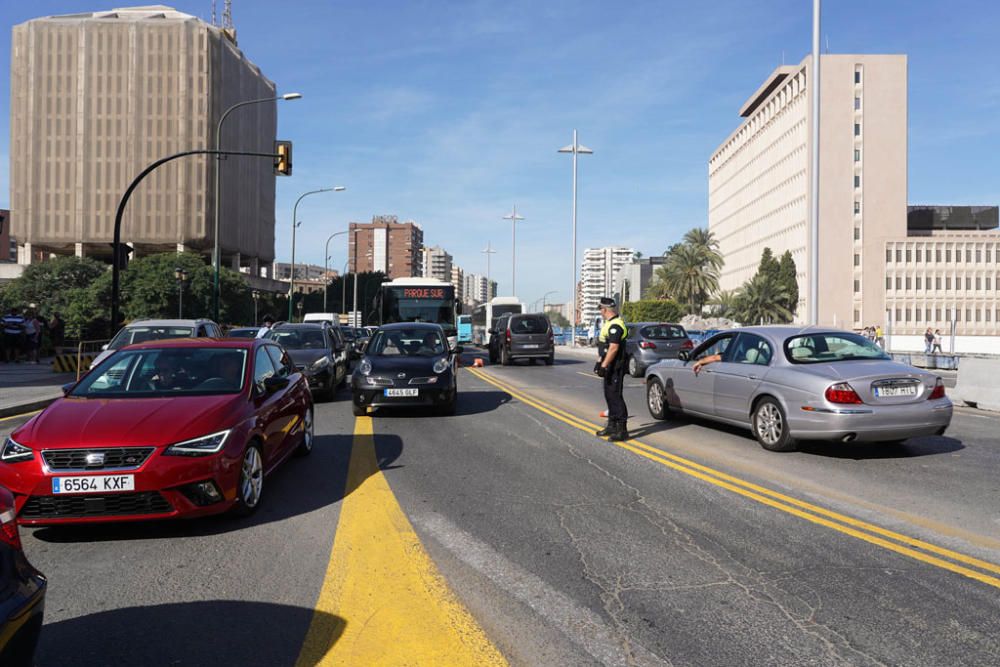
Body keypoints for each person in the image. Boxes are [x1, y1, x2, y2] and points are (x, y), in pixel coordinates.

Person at [593, 297, 629, 441]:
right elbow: (605, 348)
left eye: (600, 309)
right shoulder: (609, 324)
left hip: (615, 366)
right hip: (609, 365)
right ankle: (612, 425)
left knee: (615, 396)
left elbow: (613, 348)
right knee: (609, 395)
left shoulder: (616, 325)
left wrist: (604, 365)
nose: (600, 312)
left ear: (605, 309)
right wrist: (599, 362)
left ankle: (622, 429)